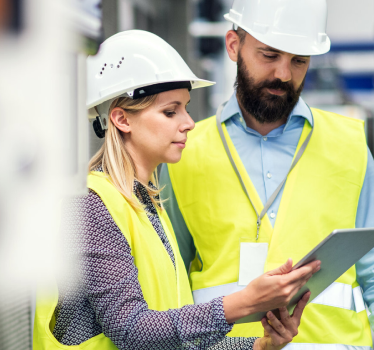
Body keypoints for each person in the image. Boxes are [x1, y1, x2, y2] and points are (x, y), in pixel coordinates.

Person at [33, 30, 321, 350]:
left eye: (185, 108)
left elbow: (173, 340)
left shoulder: (147, 204)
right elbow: (132, 331)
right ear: (121, 119)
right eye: (171, 111)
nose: (189, 123)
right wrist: (240, 304)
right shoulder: (91, 206)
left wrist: (262, 346)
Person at [160, 1, 374, 349]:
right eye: (269, 55)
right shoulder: (184, 152)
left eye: (299, 60)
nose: (284, 73)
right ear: (234, 46)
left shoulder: (349, 145)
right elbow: (166, 278)